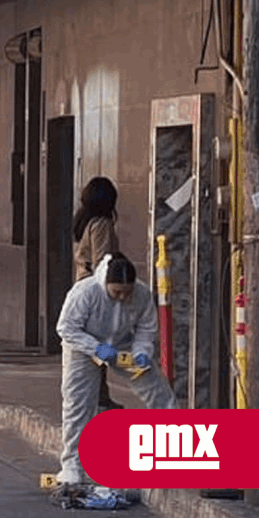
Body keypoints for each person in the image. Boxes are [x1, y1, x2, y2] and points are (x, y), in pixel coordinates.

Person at [54, 252, 177, 487]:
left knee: (160, 394)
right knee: (77, 405)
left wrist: (142, 352)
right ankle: (72, 465)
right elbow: (67, 328)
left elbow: (146, 327)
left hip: (123, 343)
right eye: (116, 292)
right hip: (83, 347)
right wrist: (96, 348)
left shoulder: (140, 293)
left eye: (126, 293)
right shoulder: (85, 292)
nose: (122, 297)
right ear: (105, 284)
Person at [73, 176, 122, 410]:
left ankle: (98, 393)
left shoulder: (86, 222)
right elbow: (102, 259)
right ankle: (98, 395)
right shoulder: (101, 224)